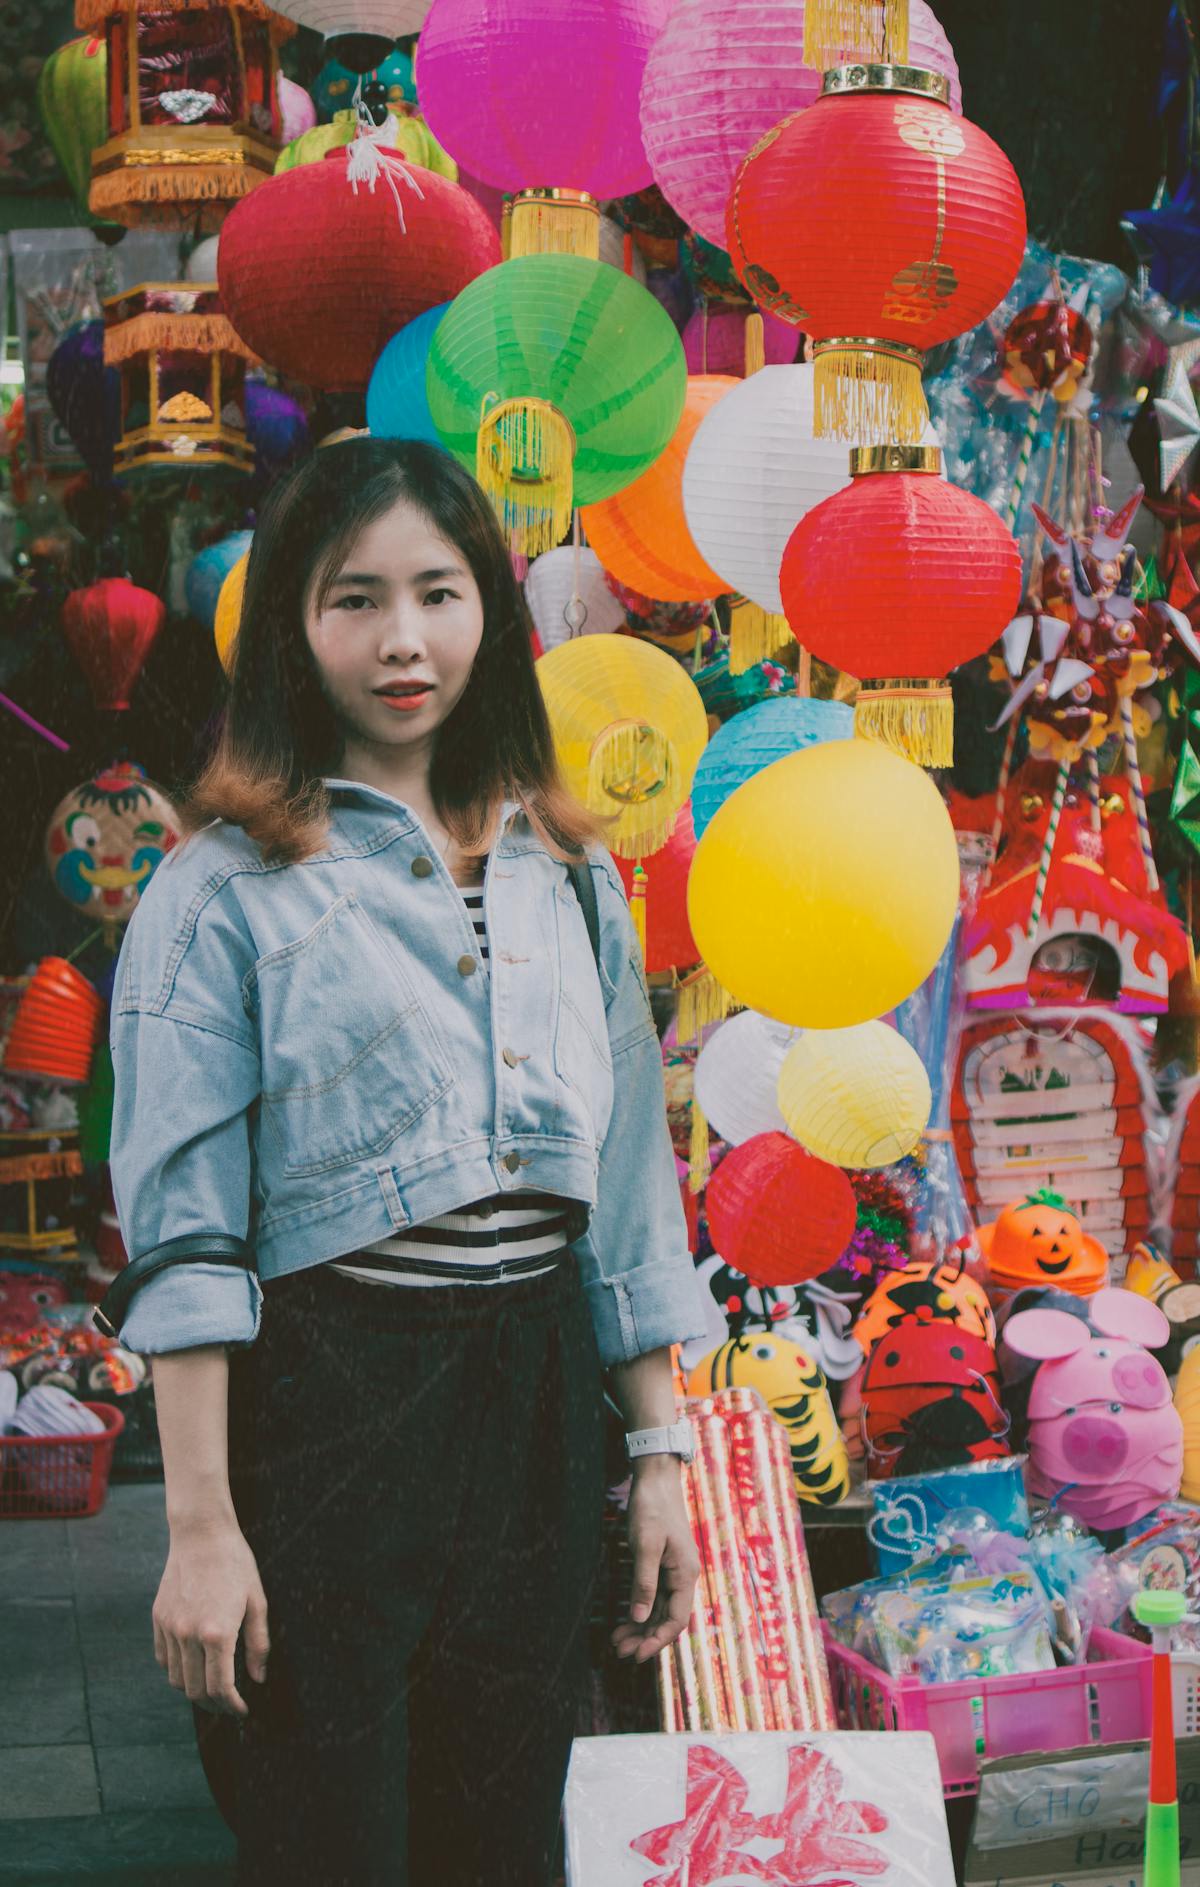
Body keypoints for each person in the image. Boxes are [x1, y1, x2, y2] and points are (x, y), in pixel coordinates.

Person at [101, 437, 708, 1887]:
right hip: (329, 1406)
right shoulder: (220, 891)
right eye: (354, 598)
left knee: (504, 1842)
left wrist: (659, 1453)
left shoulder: (570, 875)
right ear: (292, 627)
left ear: (489, 607)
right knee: (330, 1842)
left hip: (535, 1405)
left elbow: (629, 1194)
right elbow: (186, 1238)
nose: (403, 641)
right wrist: (199, 1528)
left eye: (437, 592)